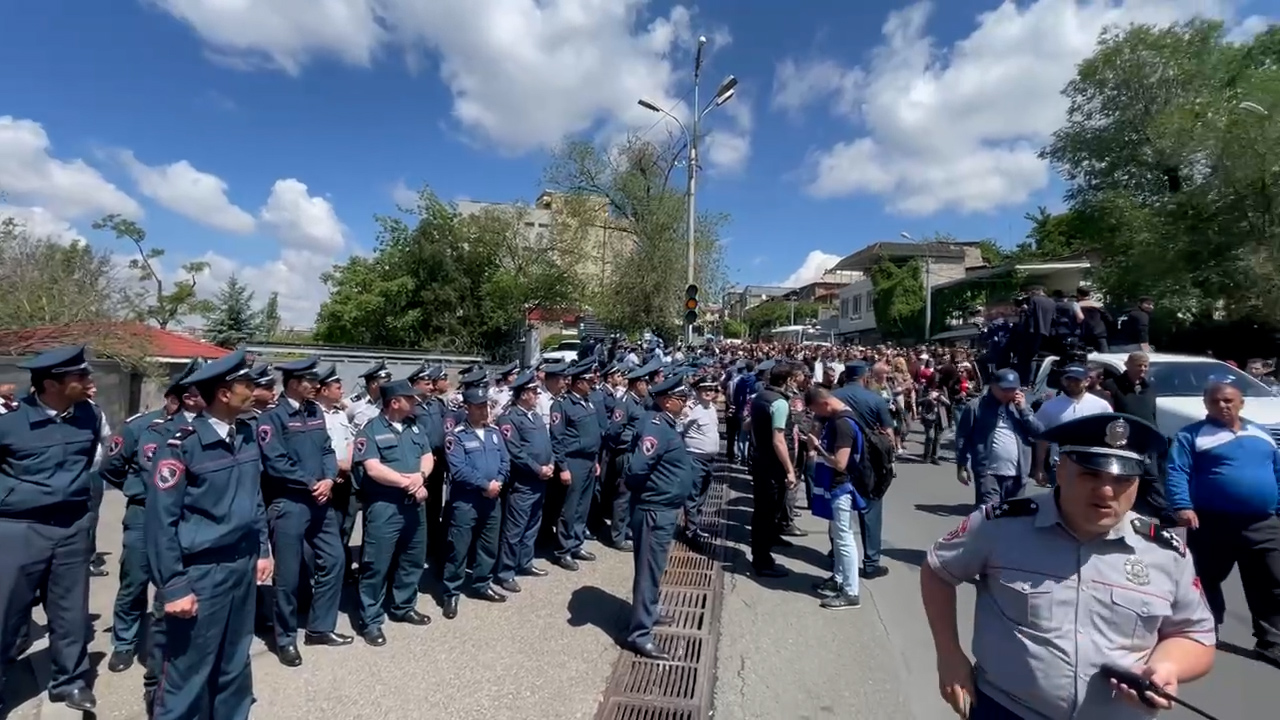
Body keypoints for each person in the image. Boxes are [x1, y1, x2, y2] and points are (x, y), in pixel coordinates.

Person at [921, 413, 1216, 719]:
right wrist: (949, 655)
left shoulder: (1166, 552)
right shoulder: (1000, 525)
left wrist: (1168, 666)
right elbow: (938, 570)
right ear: (1060, 470)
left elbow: (1196, 634)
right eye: (1090, 475)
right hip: (1008, 709)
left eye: (1122, 480)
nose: (1106, 491)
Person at [145, 349, 273, 720]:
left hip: (242, 565)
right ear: (224, 393)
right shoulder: (181, 446)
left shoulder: (246, 434)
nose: (255, 391)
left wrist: (263, 548)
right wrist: (174, 586)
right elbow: (161, 522)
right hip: (201, 573)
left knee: (234, 663)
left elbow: (254, 499)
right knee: (187, 671)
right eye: (247, 386)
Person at [0, 345, 105, 713]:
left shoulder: (89, 415)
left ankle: (69, 682)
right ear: (50, 384)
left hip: (71, 527)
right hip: (19, 527)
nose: (89, 381)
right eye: (80, 376)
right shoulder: (9, 420)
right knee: (6, 614)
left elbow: (88, 462)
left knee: (70, 613)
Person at [1165, 381, 1280, 668]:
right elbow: (1177, 470)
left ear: (1241, 403)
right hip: (1211, 521)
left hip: (1263, 523)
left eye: (1228, 400)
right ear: (1206, 404)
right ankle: (1205, 630)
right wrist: (1182, 505)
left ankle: (1272, 643)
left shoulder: (1261, 434)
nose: (1222, 406)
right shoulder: (1191, 435)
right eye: (1215, 401)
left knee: (1271, 581)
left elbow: (1277, 471)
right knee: (1205, 579)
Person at [100, 359, 202, 675]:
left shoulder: (207, 428)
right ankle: (125, 642)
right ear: (181, 396)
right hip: (144, 515)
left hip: (186, 517)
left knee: (175, 583)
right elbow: (111, 468)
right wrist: (140, 491)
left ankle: (168, 645)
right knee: (134, 581)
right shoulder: (141, 427)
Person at [257, 357, 350, 667]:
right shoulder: (272, 417)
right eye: (311, 381)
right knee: (287, 576)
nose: (316, 386)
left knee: (335, 559)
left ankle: (319, 628)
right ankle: (285, 639)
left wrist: (328, 479)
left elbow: (326, 449)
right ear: (295, 383)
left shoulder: (314, 411)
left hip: (320, 500)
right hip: (289, 503)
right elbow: (275, 462)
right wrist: (311, 482)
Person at [350, 379, 433, 646]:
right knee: (376, 565)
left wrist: (421, 477)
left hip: (414, 505)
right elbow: (373, 468)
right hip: (385, 507)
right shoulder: (370, 430)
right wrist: (409, 483)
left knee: (412, 558)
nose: (416, 401)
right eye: (410, 398)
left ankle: (403, 606)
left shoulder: (415, 426)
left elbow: (427, 456)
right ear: (394, 402)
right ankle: (371, 620)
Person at [623, 375, 696, 661]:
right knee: (648, 571)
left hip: (663, 508)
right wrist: (649, 494)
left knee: (654, 569)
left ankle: (650, 612)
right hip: (654, 510)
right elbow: (637, 469)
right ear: (667, 401)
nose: (685, 403)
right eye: (682, 399)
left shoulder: (664, 424)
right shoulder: (656, 426)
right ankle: (640, 635)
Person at [442, 384, 511, 619]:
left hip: (492, 499)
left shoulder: (494, 433)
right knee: (458, 548)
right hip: (466, 501)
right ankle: (451, 592)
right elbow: (458, 469)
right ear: (467, 408)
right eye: (479, 407)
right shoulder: (456, 436)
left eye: (486, 406)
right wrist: (485, 485)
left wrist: (498, 482)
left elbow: (505, 461)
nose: (485, 410)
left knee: (488, 545)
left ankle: (482, 584)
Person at [803, 386, 865, 611]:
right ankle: (838, 579)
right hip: (837, 487)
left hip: (842, 487)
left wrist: (817, 446)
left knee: (844, 539)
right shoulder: (840, 418)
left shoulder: (842, 424)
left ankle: (851, 592)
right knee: (838, 537)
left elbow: (840, 463)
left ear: (825, 404)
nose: (817, 415)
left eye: (816, 410)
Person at [494, 370, 553, 592]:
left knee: (532, 524)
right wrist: (538, 469)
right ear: (523, 394)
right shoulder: (509, 418)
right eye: (533, 391)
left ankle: (525, 562)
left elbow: (547, 443)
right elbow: (515, 452)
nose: (537, 395)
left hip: (541, 480)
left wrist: (551, 464)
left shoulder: (534, 415)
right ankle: (506, 572)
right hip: (523, 483)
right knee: (515, 529)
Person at [955, 369, 1044, 508]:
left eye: (1012, 390)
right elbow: (963, 436)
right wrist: (961, 466)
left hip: (1017, 475)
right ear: (993, 386)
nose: (1008, 393)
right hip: (988, 473)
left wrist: (1024, 411)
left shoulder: (1021, 408)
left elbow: (1039, 433)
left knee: (1013, 517)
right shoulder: (976, 406)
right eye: (1004, 389)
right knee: (990, 515)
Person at [747, 361, 801, 578]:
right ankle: (763, 560)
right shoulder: (779, 403)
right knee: (768, 513)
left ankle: (762, 552)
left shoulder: (760, 396)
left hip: (760, 460)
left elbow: (747, 424)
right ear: (788, 380)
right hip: (772, 465)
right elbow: (778, 440)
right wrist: (789, 470)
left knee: (762, 511)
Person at [548, 361, 603, 571]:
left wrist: (595, 460)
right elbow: (557, 439)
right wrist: (563, 467)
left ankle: (576, 544)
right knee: (569, 509)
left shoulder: (587, 402)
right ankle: (563, 551)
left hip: (589, 461)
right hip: (573, 461)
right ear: (579, 383)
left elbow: (592, 434)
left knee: (582, 507)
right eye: (589, 381)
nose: (592, 384)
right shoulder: (562, 405)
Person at [1031, 364, 1112, 488]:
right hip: (1060, 466)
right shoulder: (1050, 406)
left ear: (1087, 381)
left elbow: (1109, 437)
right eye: (1068, 379)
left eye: (1077, 380)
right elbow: (1041, 439)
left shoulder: (1101, 406)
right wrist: (1039, 468)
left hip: (1091, 465)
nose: (1072, 383)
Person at [316, 364, 359, 583]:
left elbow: (349, 442)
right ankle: (324, 571)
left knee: (345, 525)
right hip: (327, 480)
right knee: (325, 528)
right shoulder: (314, 414)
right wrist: (335, 469)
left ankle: (342, 569)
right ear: (324, 390)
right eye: (338, 388)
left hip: (345, 477)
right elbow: (317, 449)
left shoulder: (340, 413)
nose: (342, 392)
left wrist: (348, 464)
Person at [680, 375, 721, 542]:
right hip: (694, 458)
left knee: (703, 495)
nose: (709, 392)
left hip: (709, 460)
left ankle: (694, 527)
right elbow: (678, 428)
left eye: (712, 389)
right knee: (692, 496)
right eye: (706, 389)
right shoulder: (691, 409)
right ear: (697, 390)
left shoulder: (711, 408)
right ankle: (690, 532)